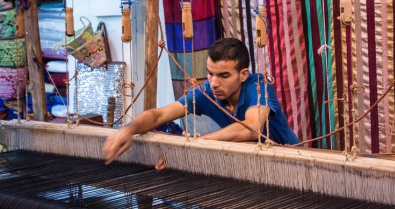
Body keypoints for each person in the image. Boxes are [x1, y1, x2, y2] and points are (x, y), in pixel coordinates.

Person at [103, 37, 299, 169]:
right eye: (210, 73)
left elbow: (250, 128)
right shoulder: (206, 92)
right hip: (250, 165)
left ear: (243, 74)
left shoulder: (259, 87)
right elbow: (158, 115)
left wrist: (193, 146)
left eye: (223, 75)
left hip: (290, 164)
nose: (213, 82)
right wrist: (128, 130)